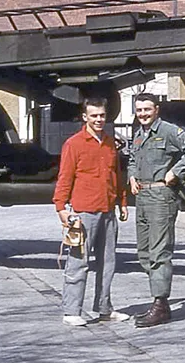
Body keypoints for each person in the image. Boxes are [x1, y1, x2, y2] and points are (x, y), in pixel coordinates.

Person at [127, 93, 185, 328]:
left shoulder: (169, 131)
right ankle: (159, 302)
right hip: (142, 196)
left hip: (161, 196)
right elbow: (132, 157)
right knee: (144, 252)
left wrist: (176, 172)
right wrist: (131, 176)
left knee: (160, 252)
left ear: (156, 110)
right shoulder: (139, 134)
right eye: (139, 110)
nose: (143, 114)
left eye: (147, 109)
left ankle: (160, 304)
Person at [53, 97, 129, 327]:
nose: (98, 119)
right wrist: (61, 207)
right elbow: (65, 177)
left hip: (108, 211)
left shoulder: (109, 144)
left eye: (102, 115)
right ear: (85, 117)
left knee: (108, 263)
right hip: (84, 212)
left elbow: (116, 176)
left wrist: (122, 202)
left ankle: (104, 308)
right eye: (94, 115)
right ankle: (71, 311)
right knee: (78, 262)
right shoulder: (73, 144)